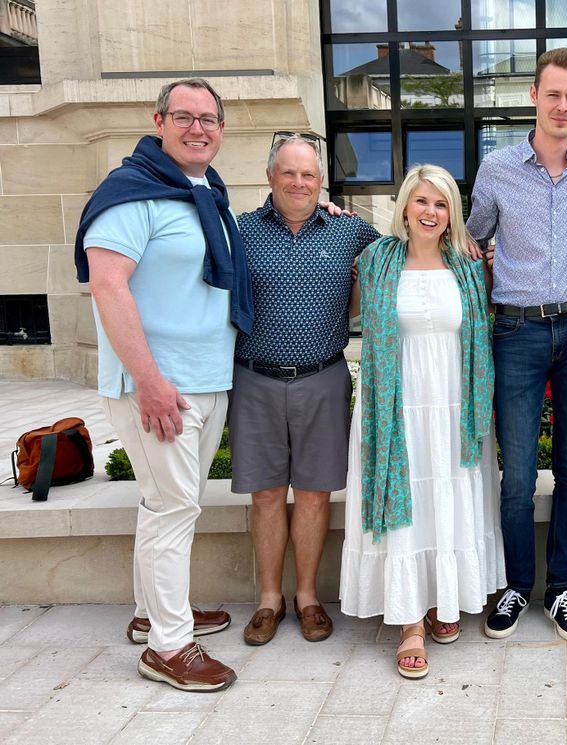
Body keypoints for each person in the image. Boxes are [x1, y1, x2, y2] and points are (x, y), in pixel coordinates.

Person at [74, 78, 250, 691]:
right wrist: (148, 381)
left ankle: (154, 614)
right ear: (159, 122)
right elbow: (107, 285)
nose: (198, 128)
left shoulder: (206, 192)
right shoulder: (130, 193)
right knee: (173, 508)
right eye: (184, 117)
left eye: (209, 119)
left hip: (205, 379)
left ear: (221, 129)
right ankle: (169, 647)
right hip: (158, 385)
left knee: (166, 506)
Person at [467, 47, 567, 643]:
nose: (562, 105)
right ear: (534, 95)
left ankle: (560, 588)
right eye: (553, 94)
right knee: (518, 474)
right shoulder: (497, 168)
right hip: (516, 333)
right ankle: (516, 586)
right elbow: (469, 241)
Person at [339, 164, 503, 679]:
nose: (430, 212)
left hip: (455, 403)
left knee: (445, 495)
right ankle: (410, 621)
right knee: (407, 498)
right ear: (405, 207)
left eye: (441, 203)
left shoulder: (469, 264)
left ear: (452, 212)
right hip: (397, 403)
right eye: (421, 201)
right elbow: (353, 313)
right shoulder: (376, 259)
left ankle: (440, 600)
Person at [231, 133, 380, 646]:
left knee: (315, 494)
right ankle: (269, 600)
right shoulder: (238, 230)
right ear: (270, 177)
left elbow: (407, 250)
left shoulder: (351, 230)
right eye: (289, 173)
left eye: (309, 174)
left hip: (324, 377)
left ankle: (308, 597)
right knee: (267, 494)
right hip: (255, 377)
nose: (299, 182)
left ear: (322, 183)